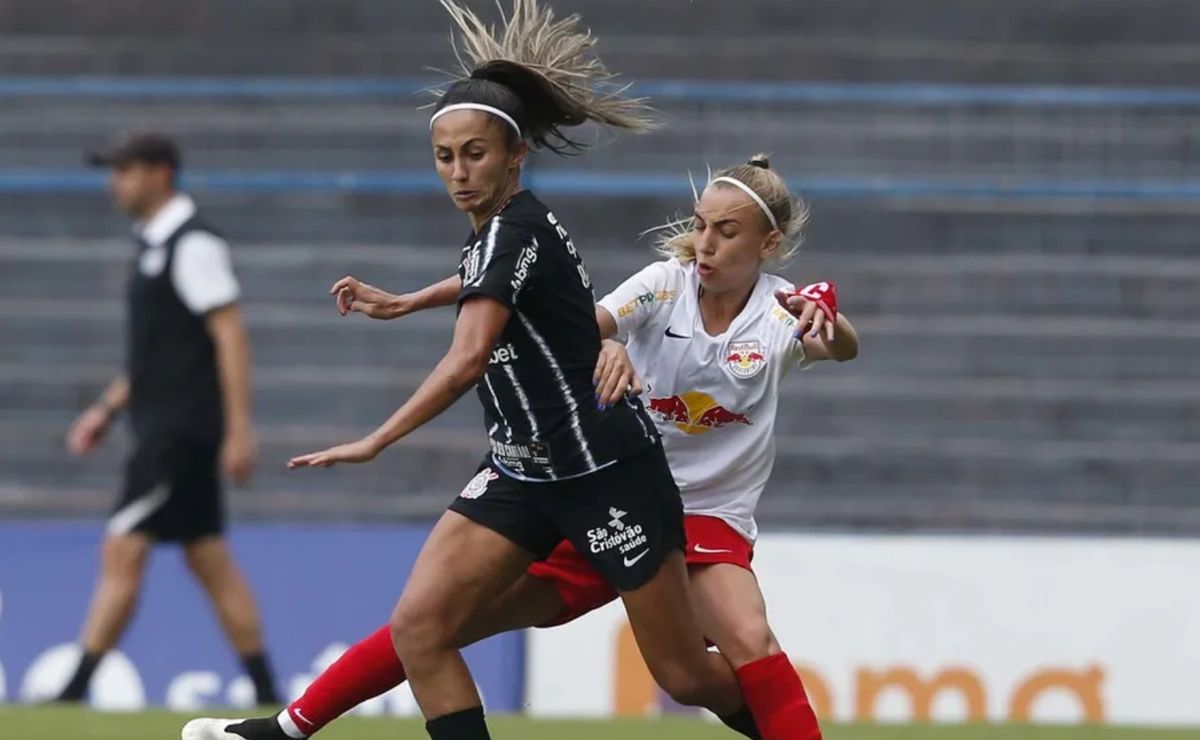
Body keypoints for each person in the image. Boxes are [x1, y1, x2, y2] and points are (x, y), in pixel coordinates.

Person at [185, 2, 777, 739]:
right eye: (445, 156)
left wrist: (375, 441)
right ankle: (288, 729)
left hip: (606, 474)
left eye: (476, 154)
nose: (459, 172)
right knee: (421, 628)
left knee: (685, 675)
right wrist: (408, 301)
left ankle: (790, 730)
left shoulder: (514, 229)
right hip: (521, 474)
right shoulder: (498, 235)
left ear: (515, 155)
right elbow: (489, 283)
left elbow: (468, 360)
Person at [56, 132, 279, 706]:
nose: (114, 183)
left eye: (124, 171)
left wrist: (239, 430)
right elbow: (164, 353)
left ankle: (74, 690)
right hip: (165, 427)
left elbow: (229, 336)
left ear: (159, 175)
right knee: (209, 559)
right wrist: (107, 409)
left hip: (179, 435)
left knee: (121, 547)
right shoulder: (154, 245)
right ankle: (265, 689)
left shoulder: (193, 244)